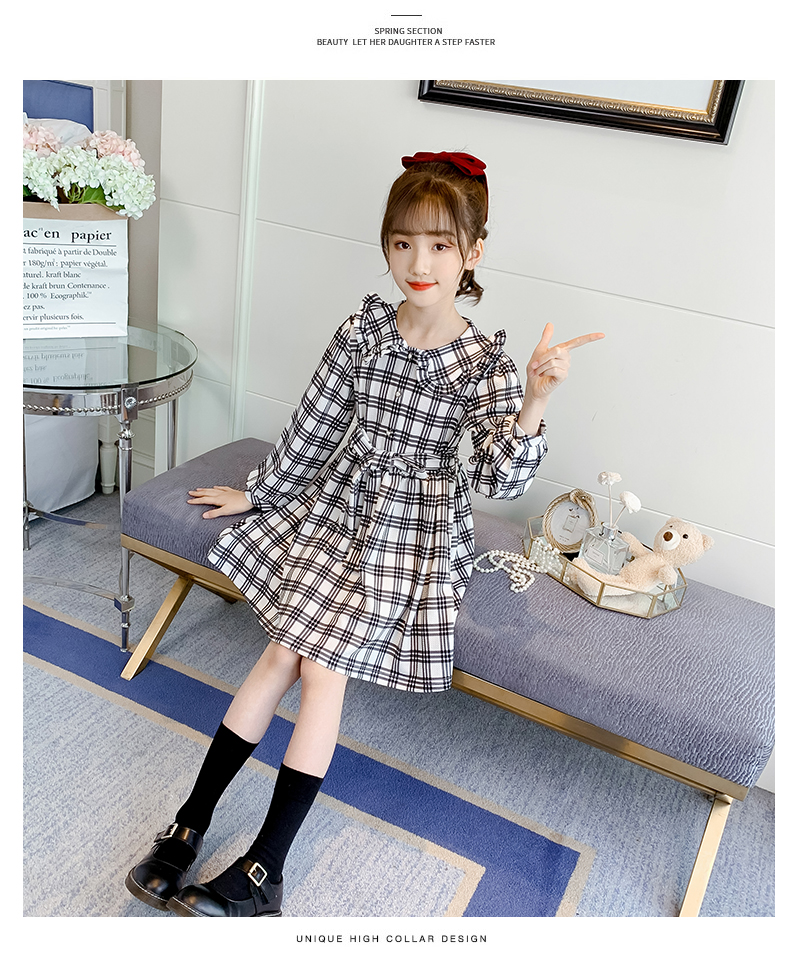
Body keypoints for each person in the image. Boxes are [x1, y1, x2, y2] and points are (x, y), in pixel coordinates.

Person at [125, 151, 604, 917]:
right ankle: (189, 826)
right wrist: (257, 493)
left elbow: (500, 479)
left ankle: (264, 869)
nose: (419, 263)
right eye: (403, 242)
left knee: (318, 668)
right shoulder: (363, 330)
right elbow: (314, 427)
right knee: (279, 652)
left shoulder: (486, 364)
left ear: (474, 253)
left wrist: (535, 403)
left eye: (441, 244)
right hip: (341, 509)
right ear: (386, 244)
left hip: (412, 538)